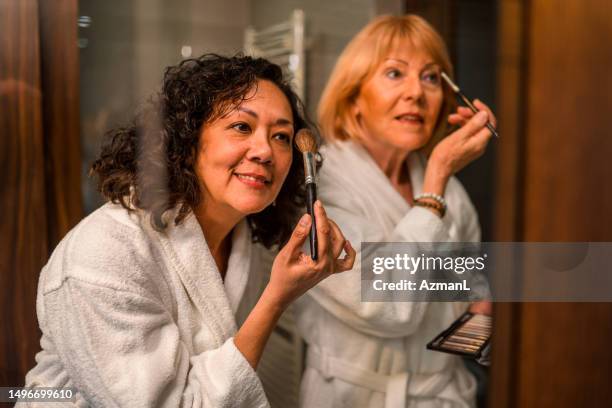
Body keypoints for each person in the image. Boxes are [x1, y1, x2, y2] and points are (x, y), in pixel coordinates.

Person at [20, 54, 355, 407]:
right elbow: (390, 311)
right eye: (242, 127)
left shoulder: (242, 242)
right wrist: (423, 209)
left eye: (282, 136)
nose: (265, 151)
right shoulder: (102, 254)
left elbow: (386, 297)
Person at [294, 15, 496, 408]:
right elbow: (389, 305)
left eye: (431, 77)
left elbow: (476, 295)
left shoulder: (451, 190)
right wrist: (435, 179)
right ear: (354, 97)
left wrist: (463, 353)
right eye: (394, 73)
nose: (416, 93)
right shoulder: (321, 184)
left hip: (446, 396)